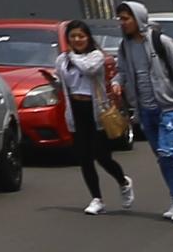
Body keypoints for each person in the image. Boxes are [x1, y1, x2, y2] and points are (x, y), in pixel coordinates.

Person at [111, 2, 173, 225]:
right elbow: (122, 71)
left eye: (125, 18)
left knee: (168, 153)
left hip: (170, 107)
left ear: (138, 18)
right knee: (162, 157)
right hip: (145, 111)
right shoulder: (125, 46)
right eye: (120, 18)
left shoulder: (161, 42)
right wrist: (117, 82)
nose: (122, 23)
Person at [56, 19, 131, 214]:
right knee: (84, 158)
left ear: (88, 37)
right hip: (76, 110)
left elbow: (88, 69)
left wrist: (71, 56)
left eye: (81, 36)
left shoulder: (96, 56)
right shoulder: (62, 60)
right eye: (73, 36)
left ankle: (123, 182)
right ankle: (97, 199)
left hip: (96, 111)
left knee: (102, 156)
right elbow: (64, 84)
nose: (77, 39)